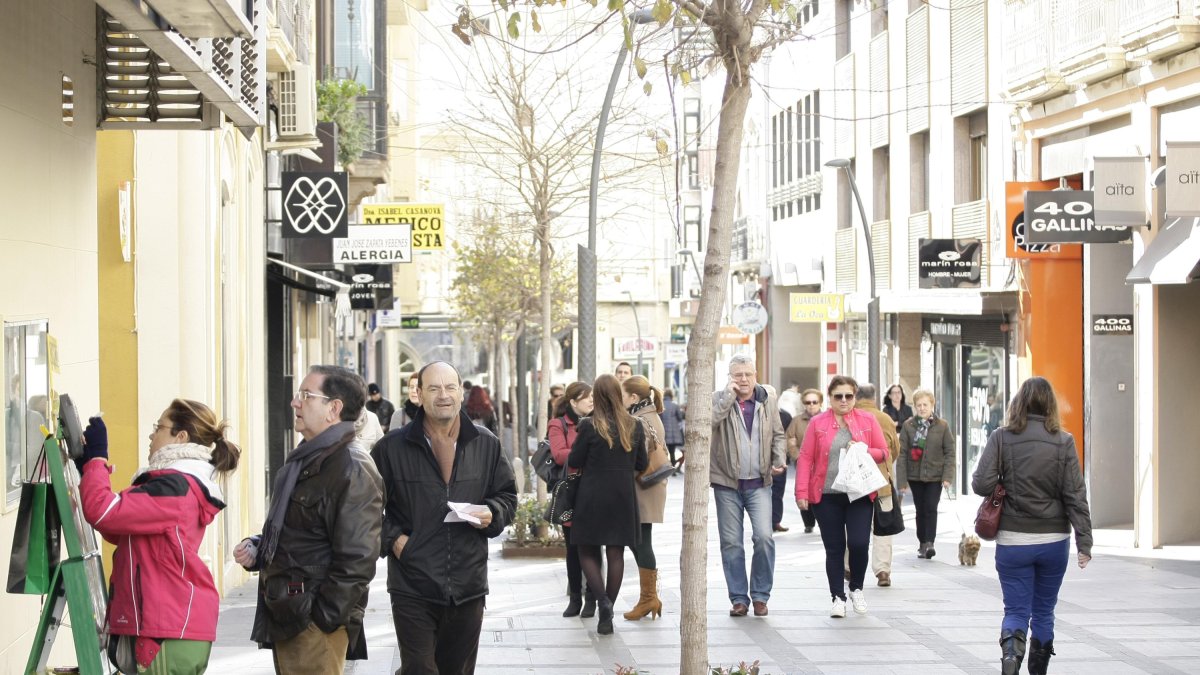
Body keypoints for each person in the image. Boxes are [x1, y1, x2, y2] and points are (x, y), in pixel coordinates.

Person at [234, 365, 383, 674]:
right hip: (289, 612)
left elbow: (357, 559)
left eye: (306, 395)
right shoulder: (308, 458)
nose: (295, 402)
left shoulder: (351, 466)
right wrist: (259, 547)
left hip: (313, 620)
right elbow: (304, 532)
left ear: (334, 409)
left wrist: (323, 617)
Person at [370, 361, 518, 674]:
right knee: (420, 668)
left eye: (450, 387)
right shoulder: (390, 448)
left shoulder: (486, 443)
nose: (443, 395)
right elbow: (365, 507)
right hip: (412, 582)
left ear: (461, 393)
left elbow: (507, 497)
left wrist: (492, 513)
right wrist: (395, 540)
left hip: (468, 583)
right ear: (418, 394)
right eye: (434, 388)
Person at [78, 400, 239, 673]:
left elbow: (103, 512)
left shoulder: (174, 486)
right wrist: (91, 472)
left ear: (181, 436)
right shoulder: (174, 483)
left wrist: (97, 460)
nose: (152, 435)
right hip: (168, 628)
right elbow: (117, 528)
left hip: (167, 630)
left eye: (159, 427)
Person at [972, 376, 1092, 675]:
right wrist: (1084, 542)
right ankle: (1038, 670)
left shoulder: (1002, 437)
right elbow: (1075, 495)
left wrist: (1003, 481)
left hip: (1013, 539)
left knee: (1015, 610)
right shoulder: (1064, 442)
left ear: (1018, 403)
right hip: (1054, 540)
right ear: (1050, 405)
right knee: (1043, 610)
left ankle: (1011, 660)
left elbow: (980, 483)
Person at [796, 375, 889, 618]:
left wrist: (864, 449)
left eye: (849, 395)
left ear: (855, 397)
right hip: (826, 495)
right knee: (834, 548)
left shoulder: (867, 420)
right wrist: (801, 492)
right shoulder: (818, 423)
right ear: (830, 397)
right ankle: (837, 597)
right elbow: (806, 457)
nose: (844, 400)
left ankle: (856, 587)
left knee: (859, 543)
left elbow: (884, 452)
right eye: (839, 396)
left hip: (859, 494)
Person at [567, 374, 648, 635]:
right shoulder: (634, 425)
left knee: (587, 551)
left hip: (592, 494)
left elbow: (576, 460)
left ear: (597, 397)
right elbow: (641, 463)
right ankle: (608, 610)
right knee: (616, 554)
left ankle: (601, 601)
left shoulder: (588, 426)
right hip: (623, 496)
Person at [710, 354, 787, 617]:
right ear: (729, 377)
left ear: (756, 375)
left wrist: (779, 459)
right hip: (726, 483)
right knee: (731, 542)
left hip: (759, 482)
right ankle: (739, 599)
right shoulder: (717, 399)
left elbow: (778, 433)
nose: (743, 379)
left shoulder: (767, 400)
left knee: (764, 538)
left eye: (747, 374)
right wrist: (728, 398)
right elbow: (709, 423)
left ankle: (761, 595)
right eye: (737, 375)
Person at [621, 375, 668, 621]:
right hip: (649, 486)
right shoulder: (650, 415)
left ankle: (649, 598)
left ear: (633, 397)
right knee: (637, 539)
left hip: (643, 486)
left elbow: (637, 458)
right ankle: (650, 597)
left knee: (641, 541)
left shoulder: (640, 420)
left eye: (623, 394)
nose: (620, 399)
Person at [548, 382, 594, 618]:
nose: (591, 401)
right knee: (573, 548)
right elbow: (558, 455)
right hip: (572, 492)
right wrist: (587, 452)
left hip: (596, 491)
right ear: (574, 402)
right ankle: (575, 597)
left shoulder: (600, 421)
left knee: (594, 548)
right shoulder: (558, 424)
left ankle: (593, 599)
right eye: (587, 397)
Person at [896, 388, 956, 560]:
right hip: (915, 476)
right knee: (920, 510)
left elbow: (950, 452)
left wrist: (947, 477)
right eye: (919, 405)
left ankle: (930, 542)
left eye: (925, 405)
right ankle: (922, 542)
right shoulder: (909, 426)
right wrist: (902, 482)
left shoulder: (942, 426)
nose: (922, 408)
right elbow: (902, 454)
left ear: (932, 405)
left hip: (935, 475)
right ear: (914, 406)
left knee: (931, 508)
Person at [852, 383, 901, 587]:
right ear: (874, 397)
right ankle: (882, 571)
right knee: (884, 527)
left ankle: (848, 566)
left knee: (852, 526)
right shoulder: (885, 419)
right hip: (882, 482)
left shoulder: (850, 417)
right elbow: (895, 449)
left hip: (854, 482)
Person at [787, 389, 823, 533]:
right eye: (808, 402)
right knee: (804, 491)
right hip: (804, 463)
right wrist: (798, 457)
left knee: (821, 492)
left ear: (820, 403)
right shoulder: (797, 421)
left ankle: (823, 520)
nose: (811, 405)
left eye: (815, 402)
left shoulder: (827, 418)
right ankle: (808, 522)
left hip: (823, 463)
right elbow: (790, 440)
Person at [771, 407, 794, 532]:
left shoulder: (785, 416)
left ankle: (775, 521)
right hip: (760, 460)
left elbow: (789, 436)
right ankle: (763, 522)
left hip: (780, 459)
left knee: (778, 492)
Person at [660, 388, 685, 471]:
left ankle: (664, 469)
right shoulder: (675, 405)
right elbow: (680, 417)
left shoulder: (661, 405)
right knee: (672, 452)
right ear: (671, 395)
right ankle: (673, 470)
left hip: (664, 432)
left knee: (663, 452)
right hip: (674, 434)